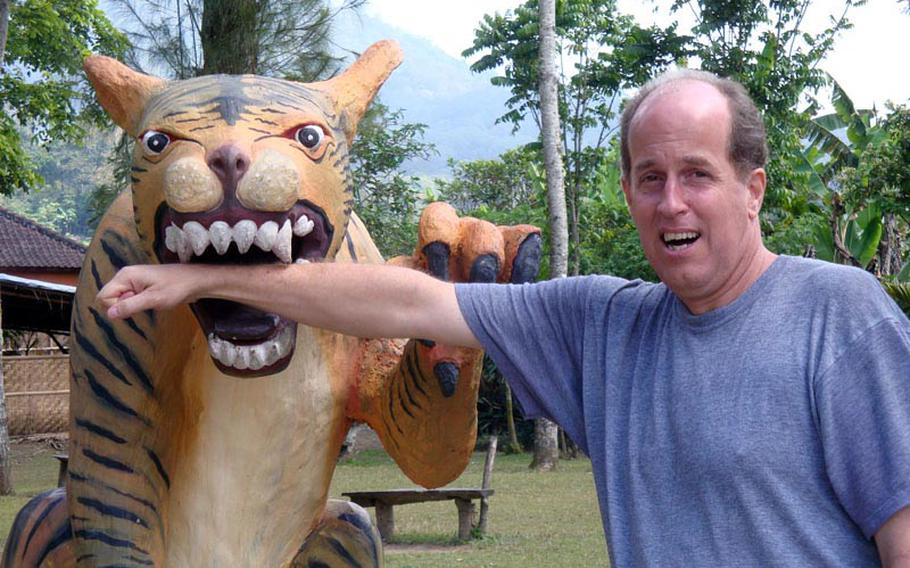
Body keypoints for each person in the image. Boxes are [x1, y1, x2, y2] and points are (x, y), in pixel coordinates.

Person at [98, 70, 910, 566]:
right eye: (649, 176)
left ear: (753, 188)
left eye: (697, 174)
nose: (672, 203)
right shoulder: (603, 327)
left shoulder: (839, 318)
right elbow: (405, 300)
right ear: (626, 191)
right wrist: (200, 277)